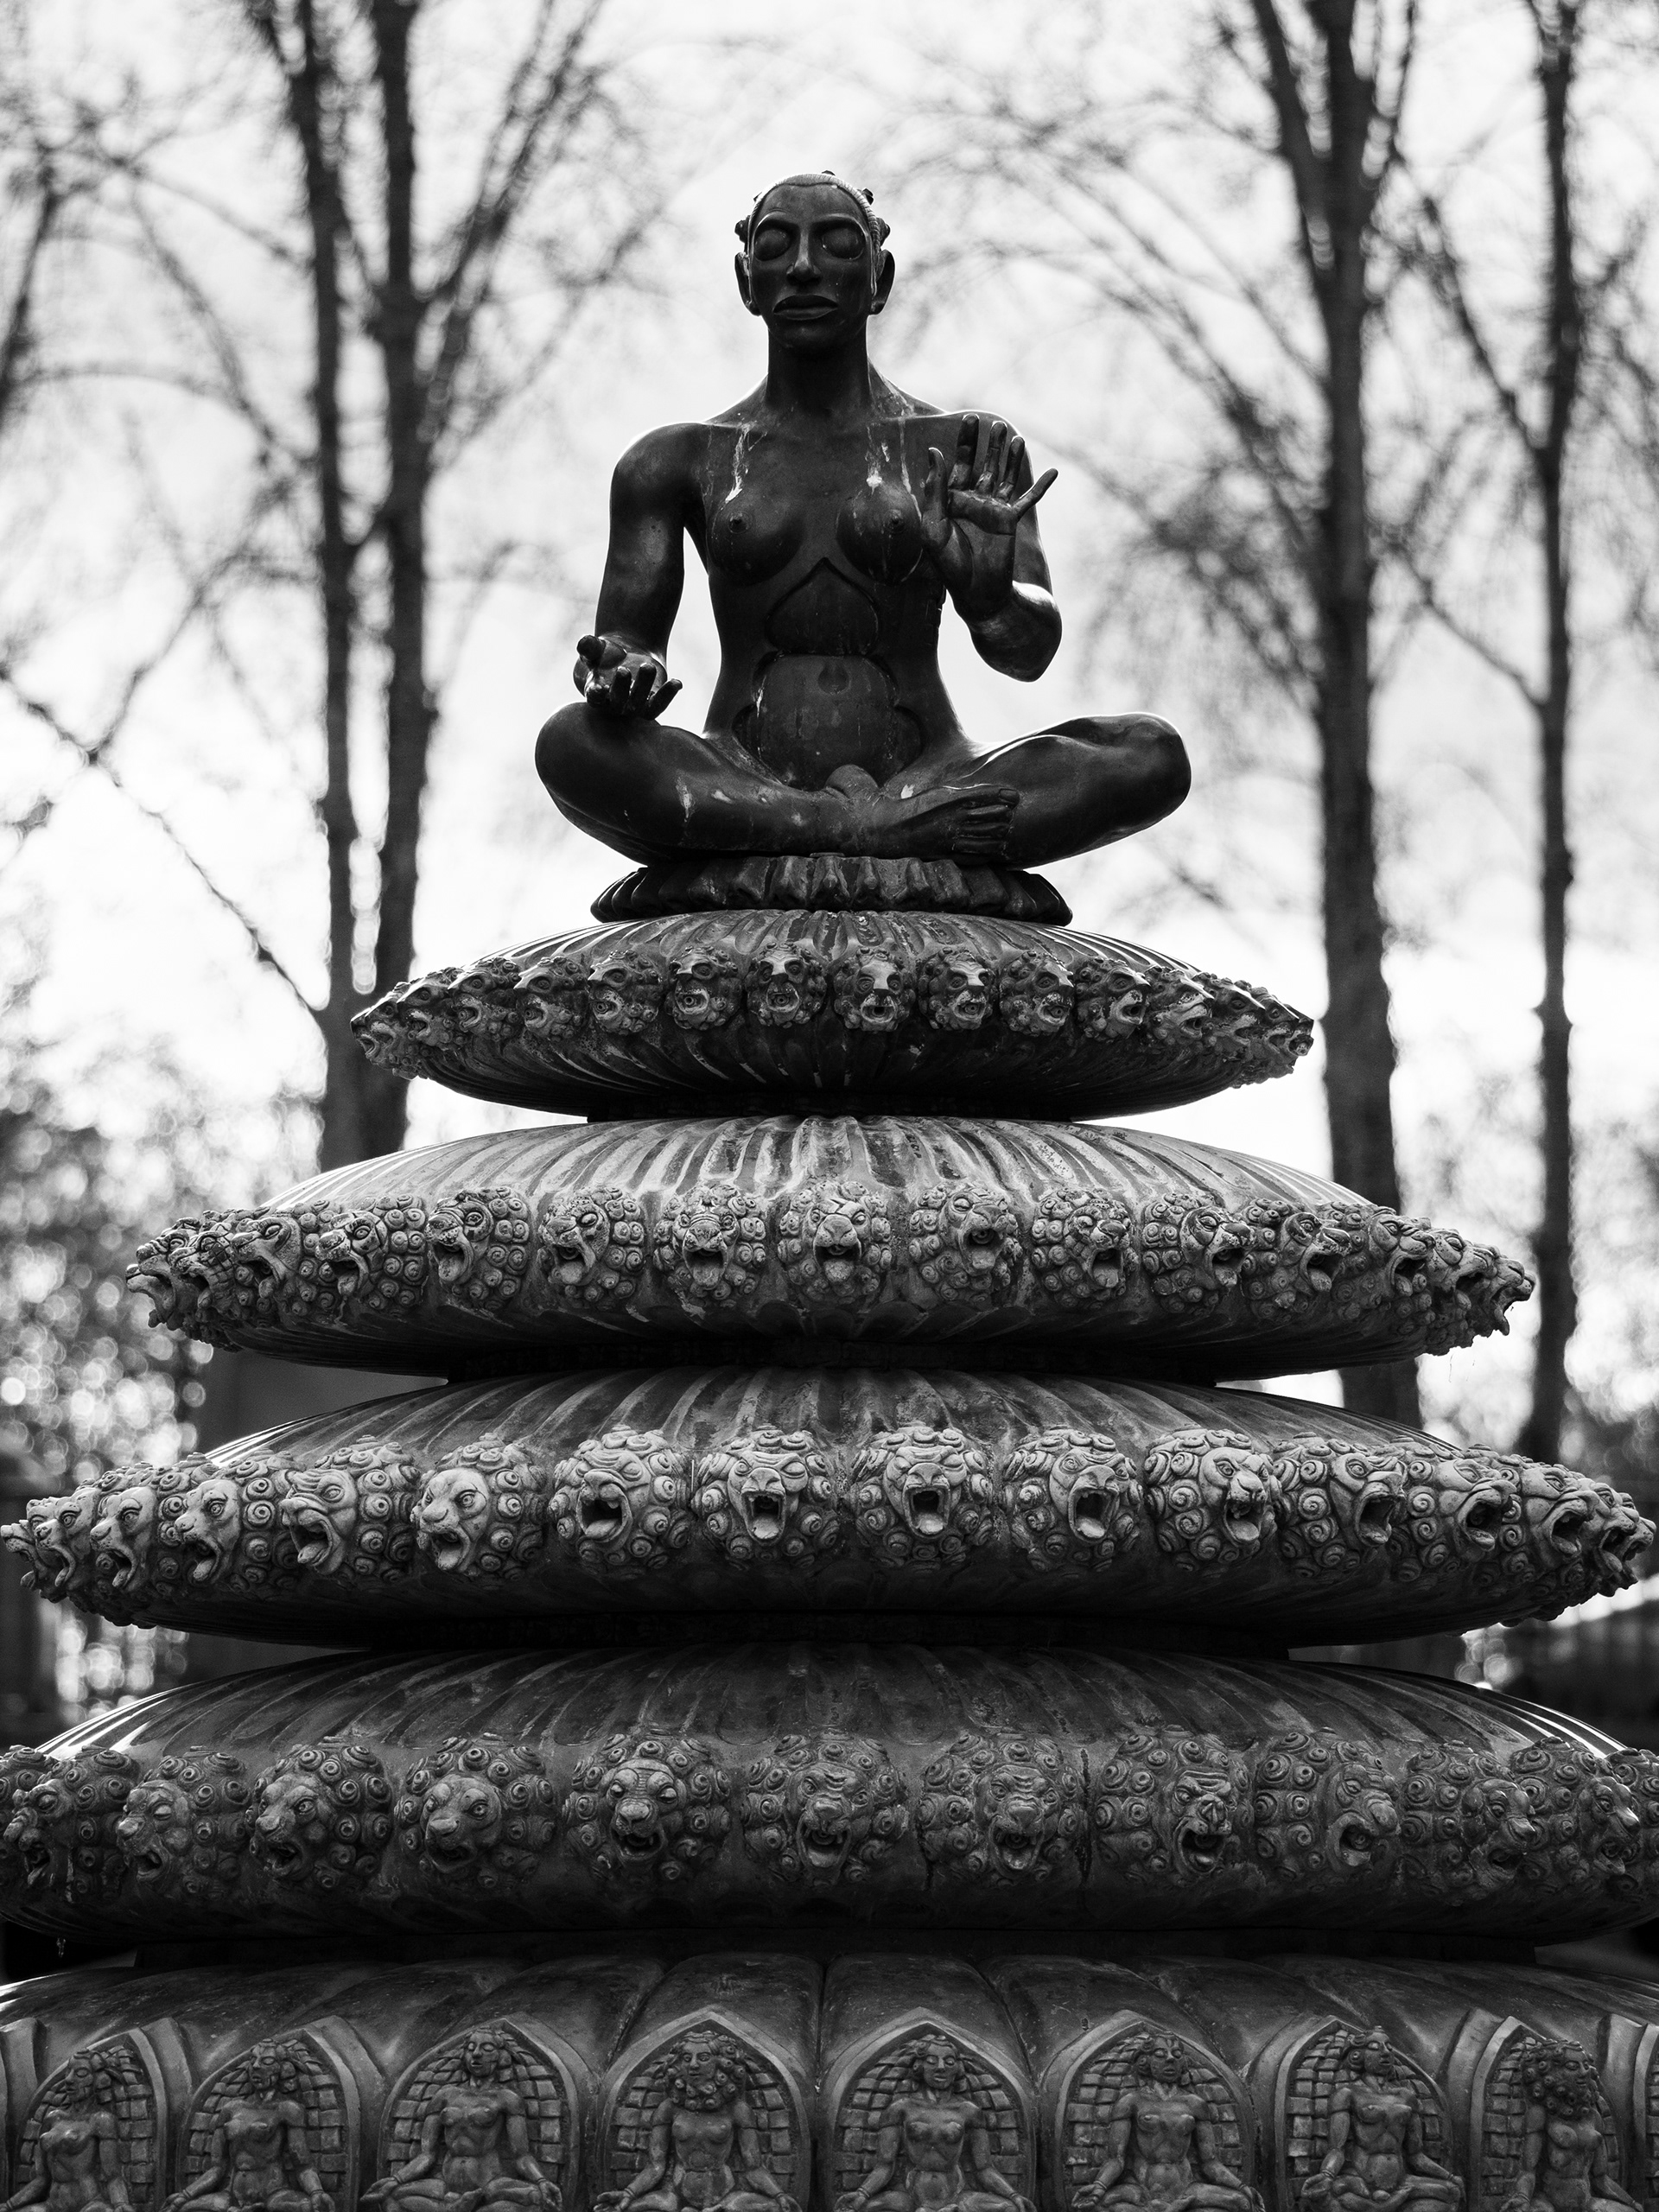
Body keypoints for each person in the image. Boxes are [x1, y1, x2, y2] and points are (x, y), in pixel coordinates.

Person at [536, 171, 1189, 871]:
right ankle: (857, 829)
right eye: (776, 246)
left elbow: (1027, 655)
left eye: (837, 244)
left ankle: (803, 830)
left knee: (1148, 755)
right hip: (741, 775)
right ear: (747, 281)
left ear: (881, 278)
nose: (804, 266)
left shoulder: (961, 448)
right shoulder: (675, 461)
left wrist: (989, 596)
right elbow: (629, 641)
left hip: (935, 777)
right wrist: (624, 672)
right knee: (571, 742)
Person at [594, 2031, 798, 2212]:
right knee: (648, 2206)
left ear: (721, 2064)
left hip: (726, 2196)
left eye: (703, 2058)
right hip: (676, 2194)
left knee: (766, 2207)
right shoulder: (669, 2108)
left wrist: (779, 2195)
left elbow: (753, 2168)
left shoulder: (737, 2110)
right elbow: (655, 2166)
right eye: (686, 2058)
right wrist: (629, 2193)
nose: (693, 2065)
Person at [364, 2031, 561, 2212]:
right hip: (446, 2184)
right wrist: (395, 2179)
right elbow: (427, 2155)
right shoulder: (445, 2096)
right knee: (390, 2195)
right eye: (471, 2048)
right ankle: (455, 2208)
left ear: (500, 2057)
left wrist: (542, 2180)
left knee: (538, 2199)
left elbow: (521, 2155)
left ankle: (461, 2207)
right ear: (464, 2056)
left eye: (487, 2049)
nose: (477, 2054)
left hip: (489, 2184)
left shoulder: (507, 2099)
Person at [835, 2033, 1033, 2212]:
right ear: (919, 2066)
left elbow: (984, 2168)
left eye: (949, 2062)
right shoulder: (901, 2108)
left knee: (1010, 2209)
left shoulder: (969, 2111)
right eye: (931, 2061)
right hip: (910, 2196)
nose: (940, 2067)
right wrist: (862, 2193)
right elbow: (885, 2165)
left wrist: (1013, 2195)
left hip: (957, 2196)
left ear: (957, 2068)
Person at [1074, 2037, 1257, 2212]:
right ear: (1146, 2061)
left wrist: (1241, 2187)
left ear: (1182, 2063)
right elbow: (1117, 2159)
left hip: (1186, 2188)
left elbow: (1210, 2162)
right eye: (1160, 2055)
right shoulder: (1131, 2101)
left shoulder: (1195, 2104)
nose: (1170, 2059)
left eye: (1176, 2055)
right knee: (1096, 2206)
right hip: (1142, 2189)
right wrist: (1099, 2186)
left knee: (1243, 2203)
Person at [1300, 2032, 1460, 2212]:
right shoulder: (1348, 2094)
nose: (1385, 2052)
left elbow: (1415, 2155)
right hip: (1361, 2182)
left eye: (1389, 2048)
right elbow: (1337, 2149)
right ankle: (1382, 2206)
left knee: (1452, 2191)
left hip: (1401, 2182)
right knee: (1332, 2193)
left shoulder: (1406, 2097)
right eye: (1375, 2048)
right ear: (1358, 2055)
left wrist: (1449, 2176)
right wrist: (1327, 2174)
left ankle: (1385, 2206)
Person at [165, 2043, 332, 2212]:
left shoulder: (288, 2109)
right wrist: (185, 2195)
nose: (256, 2066)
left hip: (274, 2195)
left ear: (282, 2069)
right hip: (231, 2196)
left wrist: (316, 2192)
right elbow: (217, 2168)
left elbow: (302, 2164)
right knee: (183, 2208)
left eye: (267, 2061)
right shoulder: (231, 2109)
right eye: (253, 2060)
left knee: (307, 2208)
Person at [4, 2051, 133, 2212]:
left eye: (80, 2073)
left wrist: (121, 2204)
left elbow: (112, 2175)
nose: (69, 2079)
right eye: (68, 2072)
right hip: (52, 2205)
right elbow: (42, 2179)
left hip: (89, 2205)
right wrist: (9, 2205)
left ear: (98, 2080)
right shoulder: (53, 2118)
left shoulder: (100, 2120)